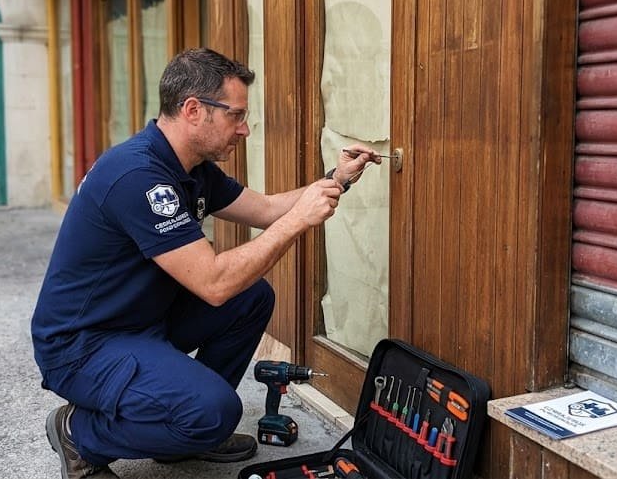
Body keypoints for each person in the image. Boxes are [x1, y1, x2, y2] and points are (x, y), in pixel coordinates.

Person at [31, 47, 380, 479]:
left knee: (252, 296)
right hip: (84, 346)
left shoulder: (191, 165)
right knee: (214, 412)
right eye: (236, 116)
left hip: (140, 322)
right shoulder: (138, 175)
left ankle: (179, 431)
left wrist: (336, 180)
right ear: (193, 110)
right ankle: (78, 433)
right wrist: (299, 222)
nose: (245, 129)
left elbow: (268, 208)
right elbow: (213, 282)